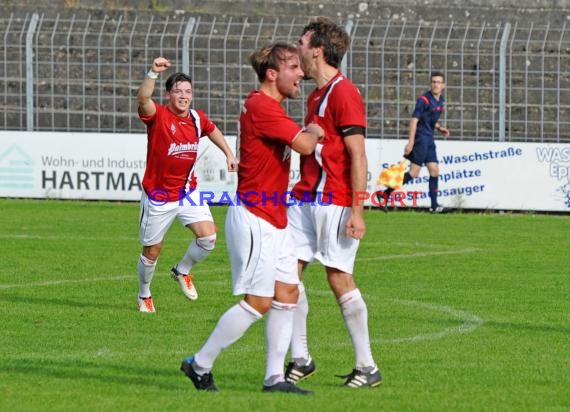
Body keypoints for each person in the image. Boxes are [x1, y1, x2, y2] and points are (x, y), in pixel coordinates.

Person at [179, 42, 324, 394]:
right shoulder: (262, 106)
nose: (301, 73)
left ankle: (274, 377)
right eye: (294, 68)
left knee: (289, 292)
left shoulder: (264, 104)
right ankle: (199, 364)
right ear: (272, 74)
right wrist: (318, 129)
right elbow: (305, 145)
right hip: (256, 216)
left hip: (276, 216)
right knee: (258, 302)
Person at [285, 17, 382, 389]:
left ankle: (367, 365)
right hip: (305, 199)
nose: (297, 48)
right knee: (284, 274)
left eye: (301, 41)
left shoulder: (344, 93)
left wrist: (358, 209)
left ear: (318, 51)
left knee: (338, 277)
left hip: (334, 202)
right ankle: (301, 357)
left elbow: (358, 154)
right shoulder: (315, 95)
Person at [136, 57, 237, 313]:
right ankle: (144, 295)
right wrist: (153, 73)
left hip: (187, 192)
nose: (184, 96)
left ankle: (182, 271)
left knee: (209, 238)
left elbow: (212, 129)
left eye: (188, 92)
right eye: (178, 91)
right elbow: (143, 99)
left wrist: (228, 152)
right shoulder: (158, 116)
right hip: (159, 196)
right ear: (169, 94)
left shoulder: (196, 118)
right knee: (152, 250)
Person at [378, 71, 450, 213]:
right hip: (421, 139)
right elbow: (414, 120)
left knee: (434, 170)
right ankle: (384, 195)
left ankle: (434, 206)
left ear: (444, 85)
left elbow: (428, 119)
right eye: (433, 82)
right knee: (414, 173)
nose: (435, 84)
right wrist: (411, 142)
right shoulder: (423, 100)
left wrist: (439, 128)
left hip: (429, 139)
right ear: (430, 84)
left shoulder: (440, 101)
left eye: (438, 82)